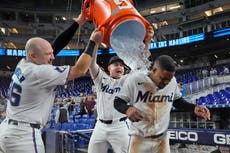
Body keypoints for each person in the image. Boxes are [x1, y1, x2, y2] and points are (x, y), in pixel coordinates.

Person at [0, 14, 102, 153]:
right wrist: (92, 42)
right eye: (48, 54)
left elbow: (56, 47)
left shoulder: (24, 64)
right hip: (23, 136)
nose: (53, 57)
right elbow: (80, 69)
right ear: (33, 56)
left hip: (9, 129)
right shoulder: (38, 73)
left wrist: (77, 23)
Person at [114, 55, 211, 153]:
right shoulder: (135, 79)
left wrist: (193, 108)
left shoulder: (172, 82)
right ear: (154, 70)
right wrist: (127, 109)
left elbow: (177, 101)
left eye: (169, 79)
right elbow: (118, 101)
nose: (166, 82)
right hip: (139, 139)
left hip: (162, 140)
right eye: (163, 78)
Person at [87, 26, 154, 153]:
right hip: (100, 126)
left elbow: (141, 66)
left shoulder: (127, 80)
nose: (120, 67)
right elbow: (91, 63)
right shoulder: (101, 78)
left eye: (122, 65)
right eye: (116, 65)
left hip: (120, 126)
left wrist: (147, 42)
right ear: (109, 68)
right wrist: (95, 42)